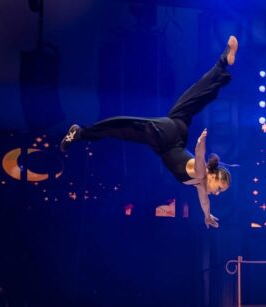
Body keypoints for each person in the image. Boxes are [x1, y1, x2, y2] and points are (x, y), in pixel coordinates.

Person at [60, 36, 238, 228]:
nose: (217, 193)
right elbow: (199, 156)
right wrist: (201, 142)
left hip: (177, 132)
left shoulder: (201, 185)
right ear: (212, 176)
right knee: (122, 126)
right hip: (165, 137)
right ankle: (80, 132)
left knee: (195, 96)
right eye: (219, 188)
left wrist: (207, 216)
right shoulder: (201, 173)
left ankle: (222, 62)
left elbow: (205, 202)